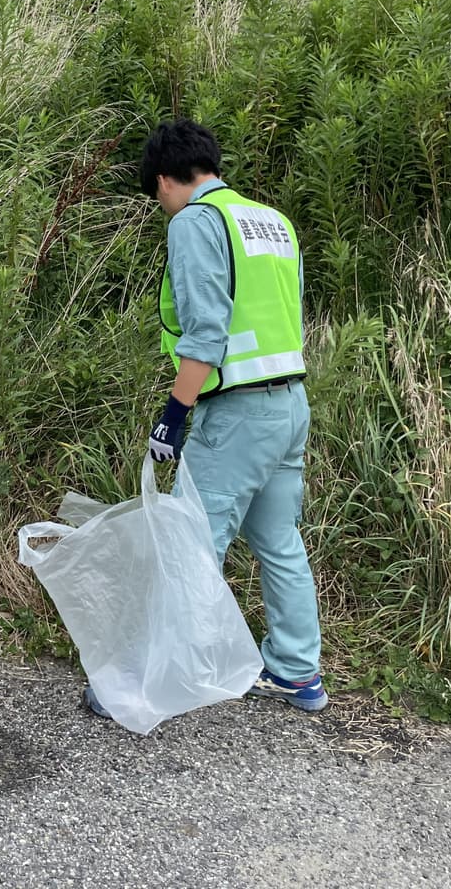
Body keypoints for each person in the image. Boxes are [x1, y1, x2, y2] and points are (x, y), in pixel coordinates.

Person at [87, 118, 326, 716]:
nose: (162, 207)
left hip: (238, 411)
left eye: (157, 196)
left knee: (192, 544)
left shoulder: (197, 221)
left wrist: (174, 412)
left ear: (166, 180)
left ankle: (150, 683)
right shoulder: (273, 222)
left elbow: (206, 333)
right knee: (278, 541)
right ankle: (298, 672)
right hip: (290, 405)